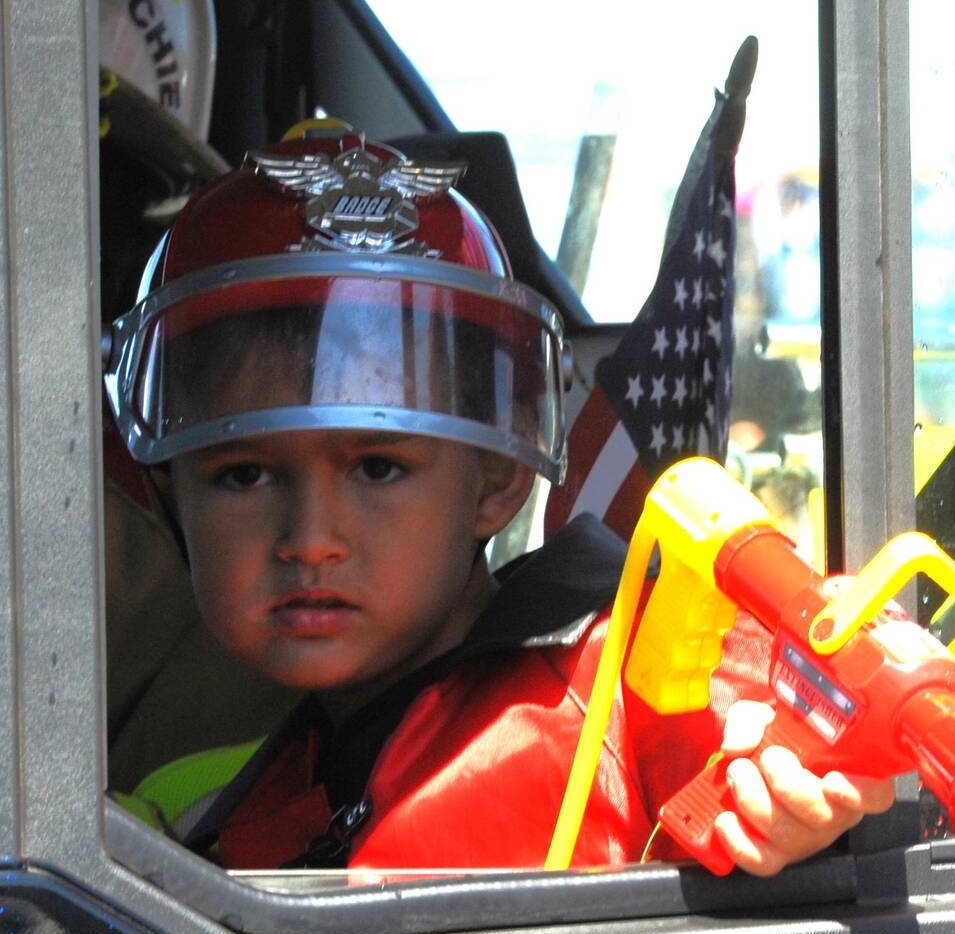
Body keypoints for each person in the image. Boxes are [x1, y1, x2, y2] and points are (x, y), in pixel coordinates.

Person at [104, 119, 891, 875]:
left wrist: (780, 763)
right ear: (171, 493)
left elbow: (742, 704)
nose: (310, 538)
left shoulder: (614, 680)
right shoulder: (252, 804)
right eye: (244, 474)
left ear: (500, 478)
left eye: (377, 467)